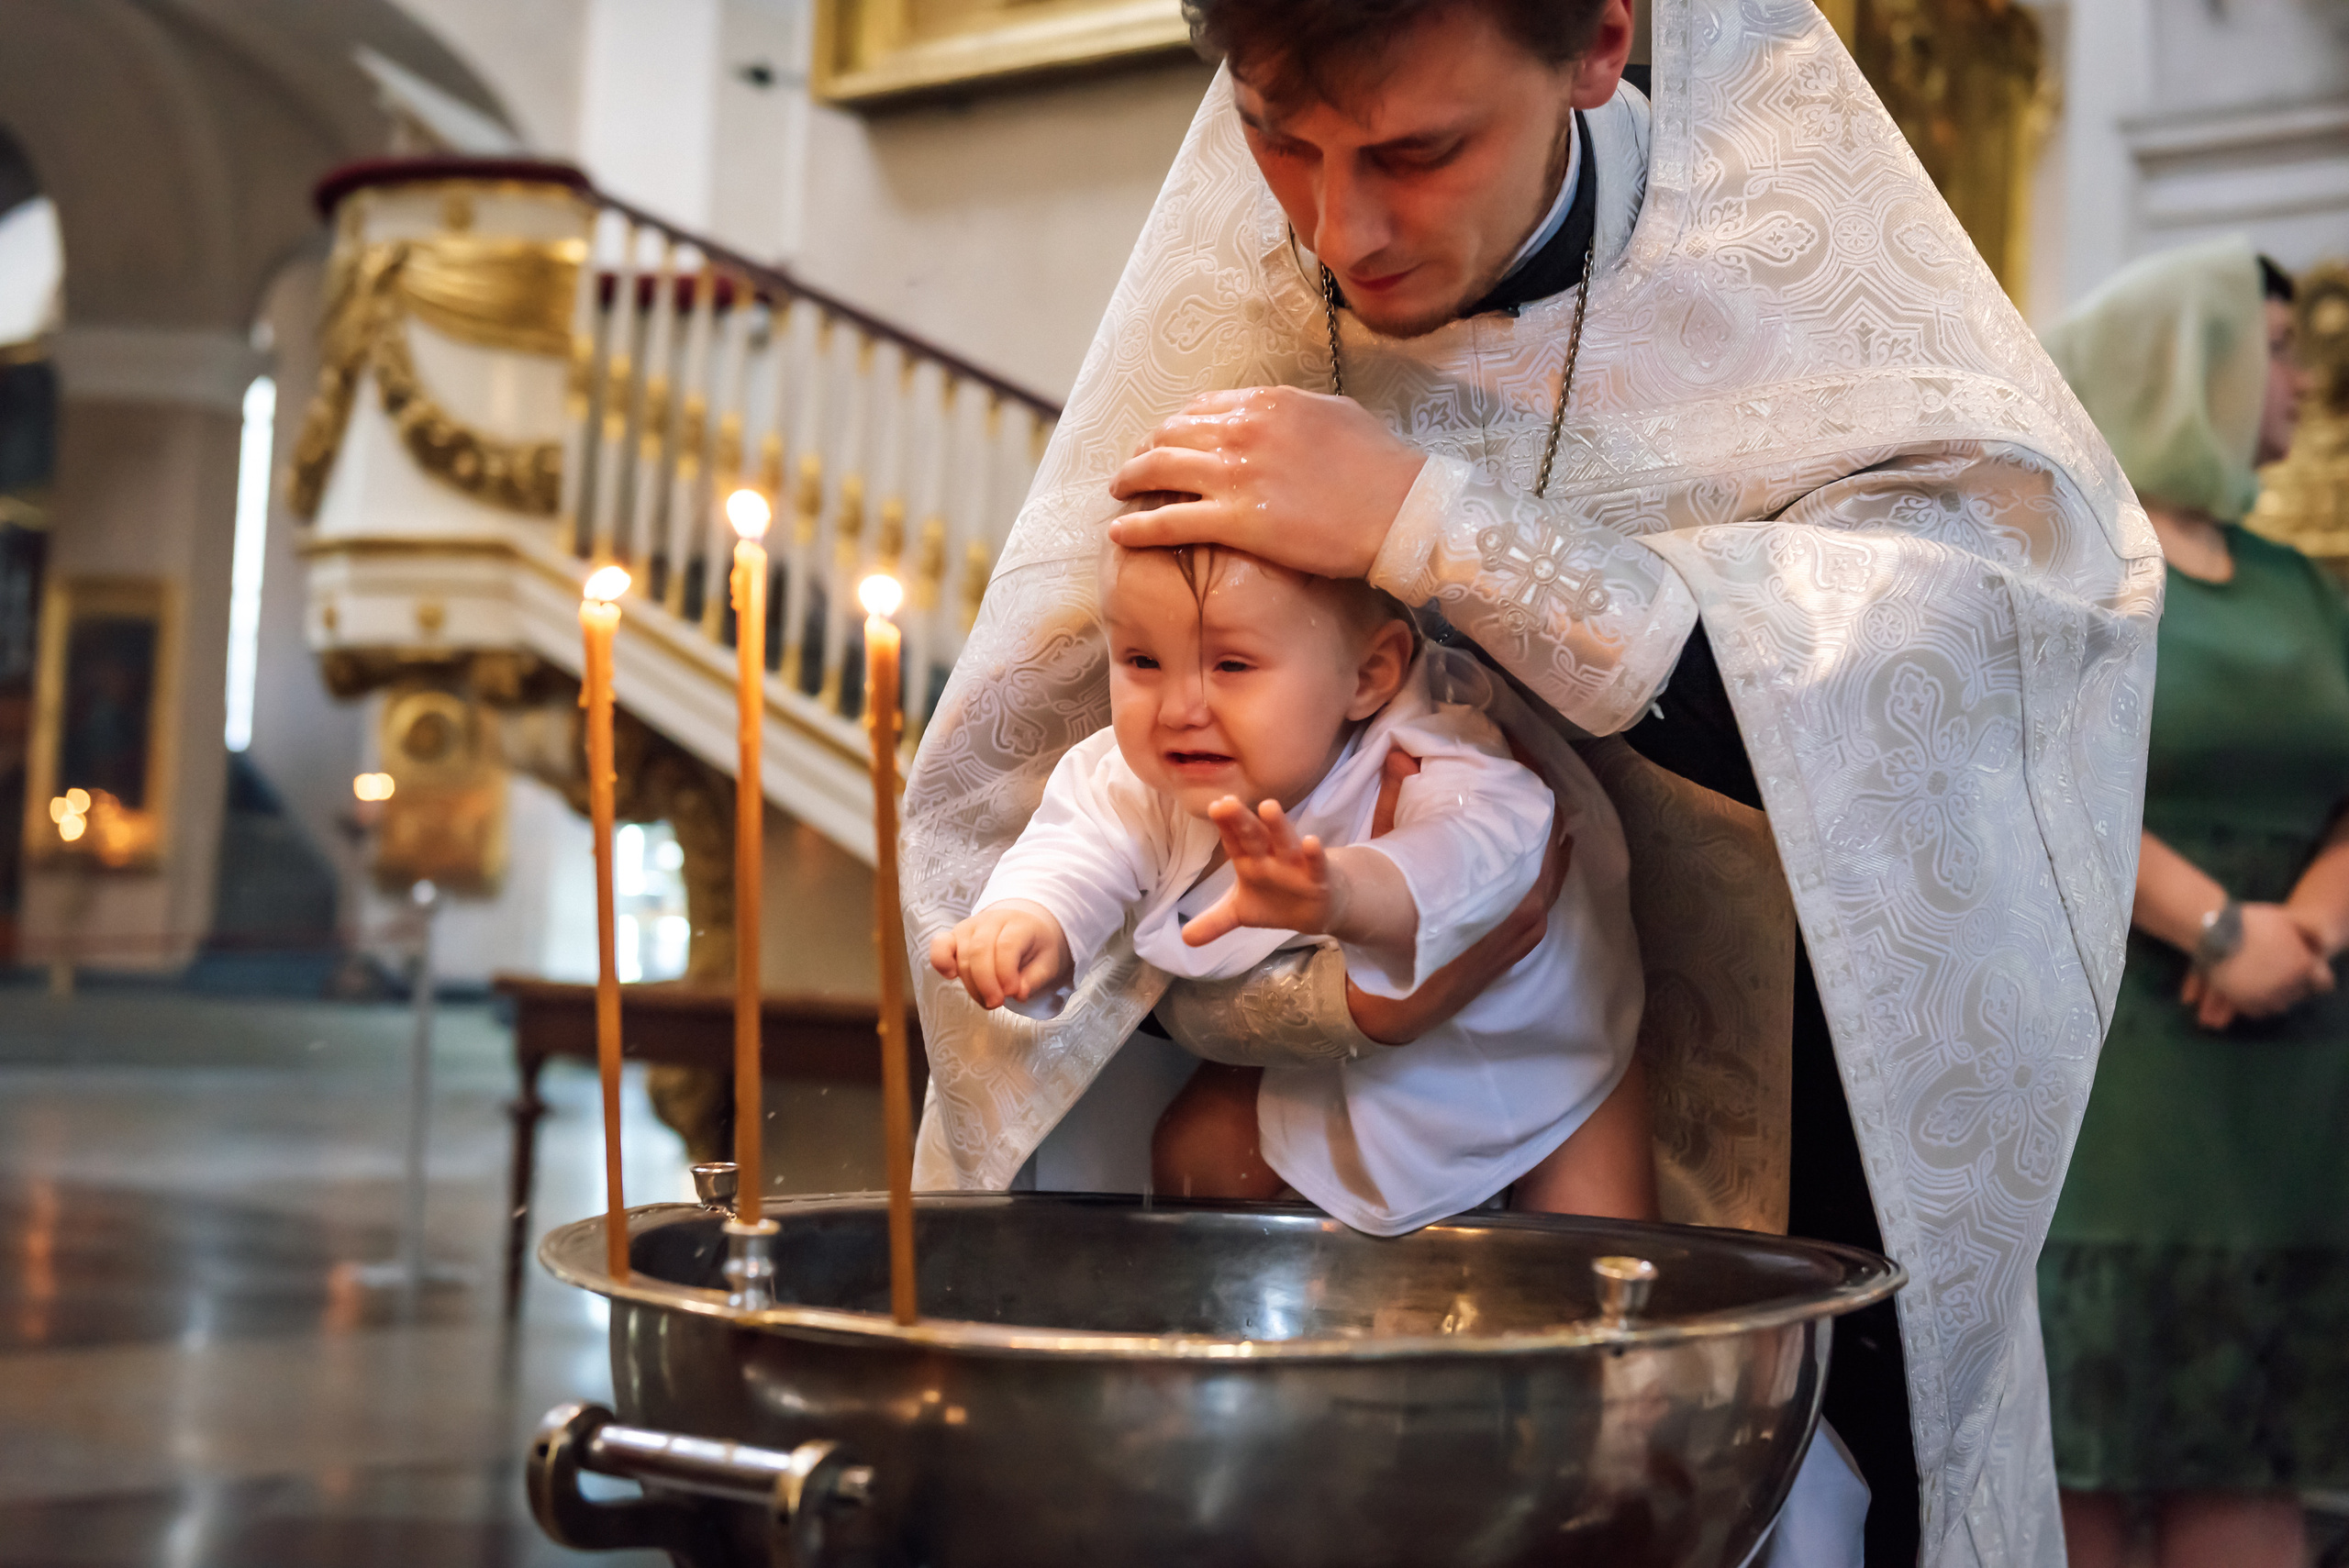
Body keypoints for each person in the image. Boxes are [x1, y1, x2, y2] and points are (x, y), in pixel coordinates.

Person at [901, 0, 2156, 1562]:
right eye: (1276, 143)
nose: (1335, 228)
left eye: (1417, 151)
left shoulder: (1787, 264)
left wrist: (1434, 527)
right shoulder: (1243, 302)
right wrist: (1307, 995)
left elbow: (1968, 686)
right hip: (1300, 1249)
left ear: (1599, 44)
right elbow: (1050, 793)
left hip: (1748, 1191)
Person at [930, 539, 1651, 1233]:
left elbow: (1484, 850)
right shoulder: (1155, 765)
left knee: (1598, 1257)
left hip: (1540, 1045)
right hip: (1341, 1056)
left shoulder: (1439, 745)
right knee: (1195, 1156)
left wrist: (1343, 892)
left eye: (1232, 665)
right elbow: (1086, 832)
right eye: (1143, 659)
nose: (1180, 706)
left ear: (1367, 677)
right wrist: (1033, 914)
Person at [2036, 241, 2340, 1568]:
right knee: (2078, 1462)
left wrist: (2303, 933)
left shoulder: (2299, 584)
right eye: (2271, 348)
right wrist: (2217, 927)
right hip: (2114, 1047)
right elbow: (2028, 758)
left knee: (2251, 1453)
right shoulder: (2069, 558)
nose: (2298, 382)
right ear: (2186, 358)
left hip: (2291, 1055)